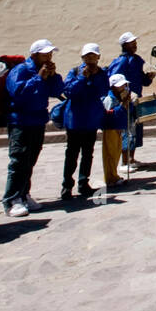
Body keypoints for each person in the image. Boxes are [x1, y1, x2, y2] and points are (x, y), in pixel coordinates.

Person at [2, 39, 64, 217]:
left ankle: (24, 193)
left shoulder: (43, 70)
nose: (49, 57)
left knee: (30, 160)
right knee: (18, 161)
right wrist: (39, 78)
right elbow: (18, 92)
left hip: (37, 120)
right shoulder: (21, 70)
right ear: (34, 55)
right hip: (20, 121)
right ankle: (11, 199)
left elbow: (57, 90)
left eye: (50, 54)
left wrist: (52, 77)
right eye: (45, 54)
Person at [61, 44, 108, 198]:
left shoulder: (101, 74)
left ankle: (83, 182)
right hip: (75, 119)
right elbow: (69, 92)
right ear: (82, 58)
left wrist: (95, 77)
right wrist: (83, 78)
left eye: (93, 56)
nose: (90, 59)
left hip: (91, 120)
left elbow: (103, 91)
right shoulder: (75, 72)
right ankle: (67, 185)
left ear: (98, 57)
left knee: (88, 153)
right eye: (87, 56)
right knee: (72, 153)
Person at [107, 33, 147, 162]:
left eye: (135, 42)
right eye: (131, 43)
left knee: (134, 129)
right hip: (125, 100)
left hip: (136, 99)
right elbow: (114, 80)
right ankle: (125, 160)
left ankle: (131, 158)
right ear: (124, 45)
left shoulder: (137, 60)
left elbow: (143, 80)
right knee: (127, 130)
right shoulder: (121, 61)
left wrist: (149, 77)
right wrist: (123, 96)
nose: (134, 45)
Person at [103, 74, 133, 182]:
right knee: (110, 154)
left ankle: (114, 175)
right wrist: (122, 105)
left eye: (125, 85)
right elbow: (110, 115)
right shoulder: (109, 99)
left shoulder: (121, 97)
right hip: (111, 129)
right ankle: (110, 178)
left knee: (116, 153)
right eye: (121, 85)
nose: (124, 87)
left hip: (119, 128)